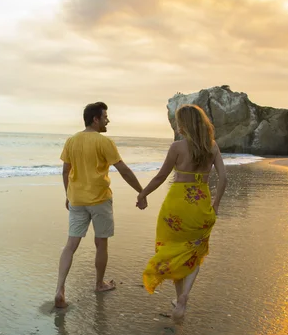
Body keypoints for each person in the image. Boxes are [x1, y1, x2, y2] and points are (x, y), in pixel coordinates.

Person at [136, 104, 227, 323]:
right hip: (201, 205)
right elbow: (224, 179)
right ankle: (183, 298)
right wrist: (215, 205)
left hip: (176, 207)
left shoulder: (177, 147)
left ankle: (179, 299)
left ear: (184, 125)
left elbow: (160, 177)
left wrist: (143, 194)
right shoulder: (212, 147)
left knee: (172, 250)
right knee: (193, 253)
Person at [54, 102, 147, 308]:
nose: (108, 120)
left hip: (77, 199)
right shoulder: (104, 142)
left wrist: (68, 195)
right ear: (95, 119)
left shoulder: (71, 141)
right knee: (101, 242)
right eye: (105, 116)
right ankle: (99, 283)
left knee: (71, 244)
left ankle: (60, 288)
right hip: (99, 199)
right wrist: (141, 191)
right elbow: (123, 169)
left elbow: (65, 171)